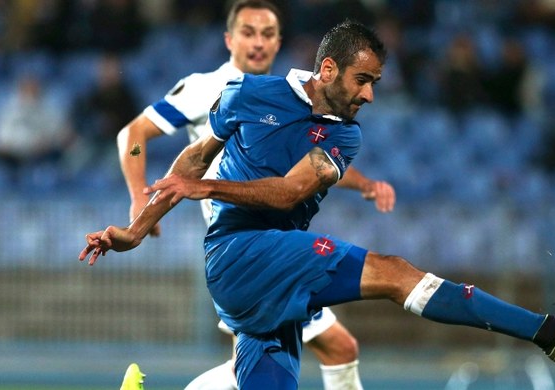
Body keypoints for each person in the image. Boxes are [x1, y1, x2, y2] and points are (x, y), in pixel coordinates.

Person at [83, 21, 555, 389]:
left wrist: (207, 189)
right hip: (239, 253)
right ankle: (549, 334)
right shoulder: (246, 95)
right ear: (327, 71)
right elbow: (192, 162)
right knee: (392, 272)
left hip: (270, 274)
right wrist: (134, 231)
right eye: (363, 80)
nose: (369, 95)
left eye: (376, 83)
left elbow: (291, 191)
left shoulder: (345, 138)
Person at [115, 2, 393, 389]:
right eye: (248, 32)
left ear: (279, 42)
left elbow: (308, 171)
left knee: (293, 357)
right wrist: (136, 197)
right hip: (238, 244)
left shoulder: (286, 96)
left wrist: (363, 184)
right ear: (229, 39)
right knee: (327, 348)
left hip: (270, 239)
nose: (258, 42)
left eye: (267, 34)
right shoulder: (204, 88)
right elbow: (132, 136)